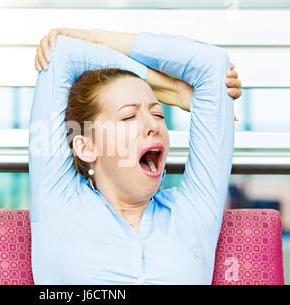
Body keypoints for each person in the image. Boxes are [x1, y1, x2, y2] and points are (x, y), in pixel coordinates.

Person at [29, 28, 242, 284]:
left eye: (159, 114)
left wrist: (98, 40)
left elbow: (212, 65)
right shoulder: (58, 202)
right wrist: (167, 88)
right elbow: (61, 53)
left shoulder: (193, 212)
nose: (153, 125)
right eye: (129, 116)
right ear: (86, 147)